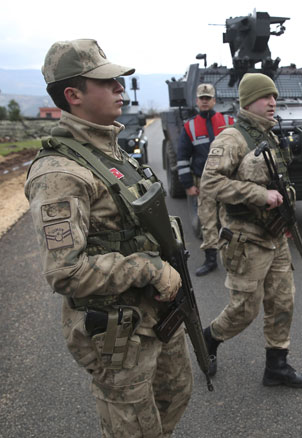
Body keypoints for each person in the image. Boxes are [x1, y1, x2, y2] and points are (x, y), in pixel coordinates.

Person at [25, 39, 193, 437]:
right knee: (134, 428)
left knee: (175, 395)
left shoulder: (112, 152)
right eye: (106, 81)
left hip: (156, 313)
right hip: (119, 330)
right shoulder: (60, 174)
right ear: (73, 95)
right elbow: (65, 271)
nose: (119, 87)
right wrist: (149, 269)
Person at [198, 72, 302, 388]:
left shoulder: (269, 135)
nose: (272, 102)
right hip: (245, 239)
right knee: (245, 309)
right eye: (265, 96)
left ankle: (277, 366)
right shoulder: (232, 139)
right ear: (248, 101)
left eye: (274, 96)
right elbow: (210, 183)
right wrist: (259, 194)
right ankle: (209, 339)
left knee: (282, 301)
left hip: (274, 235)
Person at [177, 83, 233, 276]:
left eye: (208, 98)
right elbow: (182, 157)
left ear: (214, 100)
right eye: (202, 98)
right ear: (197, 101)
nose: (205, 101)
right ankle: (211, 260)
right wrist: (188, 184)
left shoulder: (228, 121)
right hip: (204, 182)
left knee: (229, 221)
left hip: (227, 180)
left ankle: (231, 258)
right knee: (207, 222)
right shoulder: (190, 126)